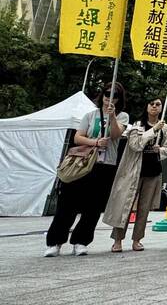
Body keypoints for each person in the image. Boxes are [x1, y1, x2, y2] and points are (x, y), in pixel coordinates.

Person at [45, 82, 129, 257]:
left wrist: (112, 117)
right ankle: (55, 242)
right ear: (102, 95)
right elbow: (78, 137)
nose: (109, 98)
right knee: (67, 204)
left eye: (114, 95)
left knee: (93, 207)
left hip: (105, 166)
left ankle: (81, 241)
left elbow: (116, 135)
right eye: (107, 93)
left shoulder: (122, 116)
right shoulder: (90, 115)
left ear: (119, 99)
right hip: (83, 163)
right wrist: (95, 142)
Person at [105, 96, 167, 252]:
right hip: (134, 171)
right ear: (146, 107)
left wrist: (160, 150)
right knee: (125, 205)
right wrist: (153, 130)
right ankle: (117, 240)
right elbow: (135, 145)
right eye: (152, 104)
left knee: (144, 208)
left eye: (158, 104)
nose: (155, 106)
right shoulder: (137, 125)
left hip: (153, 172)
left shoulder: (165, 128)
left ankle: (137, 239)